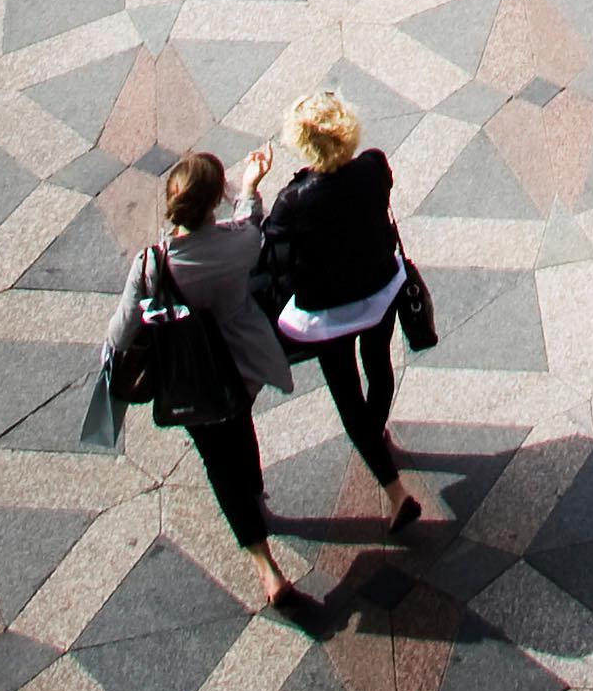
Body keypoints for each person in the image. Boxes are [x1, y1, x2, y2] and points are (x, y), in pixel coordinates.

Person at [98, 147, 313, 617]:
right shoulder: (237, 245)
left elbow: (120, 333)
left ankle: (265, 565)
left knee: (218, 461)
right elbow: (251, 226)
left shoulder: (152, 264)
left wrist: (110, 375)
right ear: (216, 200)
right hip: (241, 367)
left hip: (191, 382)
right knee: (240, 429)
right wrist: (251, 185)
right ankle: (257, 498)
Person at [258, 91, 421, 522]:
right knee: (379, 366)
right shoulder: (373, 166)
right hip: (380, 293)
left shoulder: (292, 200)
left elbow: (271, 243)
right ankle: (378, 430)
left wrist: (250, 192)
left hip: (326, 314)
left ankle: (395, 490)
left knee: (348, 397)